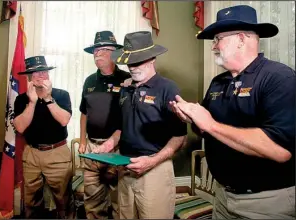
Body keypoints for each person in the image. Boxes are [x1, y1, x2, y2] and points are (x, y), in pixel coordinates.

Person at [170, 5, 295, 219]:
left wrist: (210, 124)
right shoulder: (219, 82)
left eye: (218, 39)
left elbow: (280, 150)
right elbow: (207, 130)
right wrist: (193, 119)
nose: (213, 47)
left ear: (240, 39)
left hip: (266, 203)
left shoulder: (279, 78)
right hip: (222, 197)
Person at [94, 31, 187, 219]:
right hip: (125, 168)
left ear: (152, 58)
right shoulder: (125, 88)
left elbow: (180, 137)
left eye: (138, 62)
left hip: (155, 170)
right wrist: (110, 143)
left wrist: (152, 161)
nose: (132, 68)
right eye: (129, 62)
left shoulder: (168, 88)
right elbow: (122, 127)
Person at [14, 56, 73, 218]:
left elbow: (64, 120)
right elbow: (20, 127)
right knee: (31, 202)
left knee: (63, 202)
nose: (42, 76)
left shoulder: (61, 95)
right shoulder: (21, 100)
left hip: (57, 152)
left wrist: (47, 98)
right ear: (28, 78)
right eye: (36, 73)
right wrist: (32, 103)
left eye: (44, 72)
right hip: (31, 154)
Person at [79, 30, 130, 219]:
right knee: (93, 201)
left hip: (119, 148)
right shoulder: (89, 81)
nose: (97, 54)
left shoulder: (127, 79)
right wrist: (83, 140)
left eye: (103, 50)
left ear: (114, 53)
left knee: (120, 201)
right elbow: (84, 112)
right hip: (93, 147)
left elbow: (131, 116)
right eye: (95, 51)